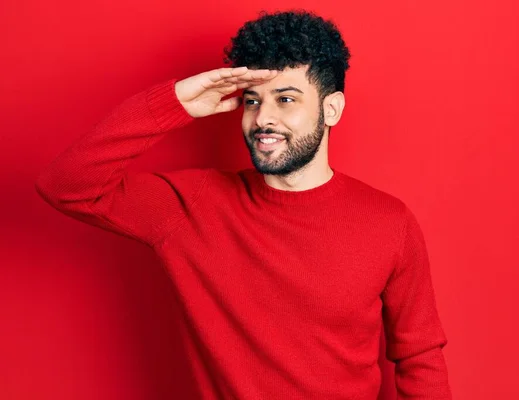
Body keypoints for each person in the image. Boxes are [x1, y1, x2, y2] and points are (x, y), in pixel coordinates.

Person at [35, 9, 452, 400]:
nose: (263, 118)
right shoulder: (191, 208)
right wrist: (175, 102)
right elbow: (67, 184)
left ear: (331, 109)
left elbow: (420, 359)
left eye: (285, 99)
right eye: (253, 100)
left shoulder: (389, 223)